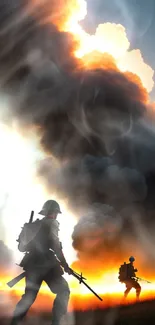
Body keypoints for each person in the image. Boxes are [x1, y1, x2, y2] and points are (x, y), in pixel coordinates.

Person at [10, 200, 72, 325]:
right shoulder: (51, 223)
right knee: (63, 290)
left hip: (32, 266)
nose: (56, 215)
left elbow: (22, 248)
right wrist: (65, 265)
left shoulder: (34, 226)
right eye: (56, 213)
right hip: (48, 266)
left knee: (29, 297)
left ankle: (14, 322)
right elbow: (55, 245)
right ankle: (56, 322)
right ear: (54, 212)